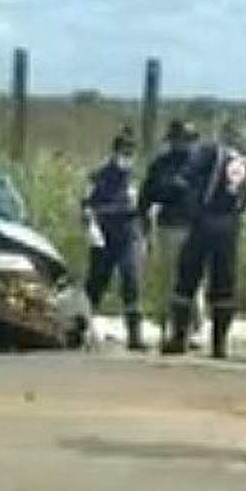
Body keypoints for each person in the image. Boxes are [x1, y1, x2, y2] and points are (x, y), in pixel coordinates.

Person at [162, 121, 246, 358]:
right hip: (230, 225)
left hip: (205, 220)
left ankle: (179, 338)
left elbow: (182, 179)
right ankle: (219, 344)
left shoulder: (211, 152)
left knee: (187, 277)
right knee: (224, 283)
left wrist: (190, 206)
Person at [137, 120, 205, 342]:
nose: (183, 144)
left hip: (195, 227)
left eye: (187, 139)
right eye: (179, 139)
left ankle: (194, 329)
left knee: (194, 281)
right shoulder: (161, 164)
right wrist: (144, 220)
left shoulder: (202, 165)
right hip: (169, 226)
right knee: (169, 281)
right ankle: (170, 327)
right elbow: (147, 194)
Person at [82, 128, 145, 351]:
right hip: (105, 236)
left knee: (132, 281)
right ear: (114, 152)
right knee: (96, 284)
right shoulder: (98, 176)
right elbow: (86, 205)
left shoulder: (134, 177)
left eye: (131, 153)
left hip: (129, 236)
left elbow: (141, 207)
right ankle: (83, 331)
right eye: (124, 152)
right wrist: (91, 227)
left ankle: (135, 337)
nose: (127, 157)